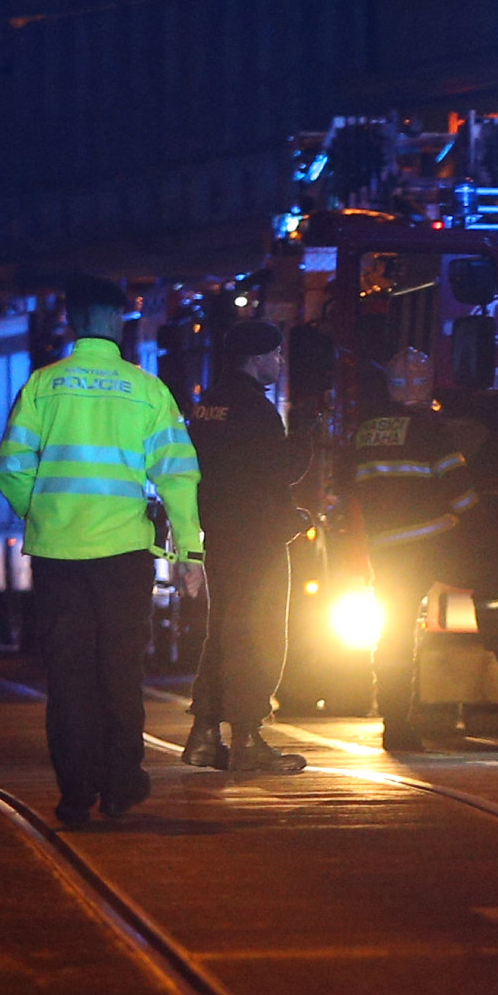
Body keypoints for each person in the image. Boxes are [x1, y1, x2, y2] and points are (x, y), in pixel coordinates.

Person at [0, 276, 206, 827]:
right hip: (123, 555)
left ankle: (74, 794)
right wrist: (190, 557)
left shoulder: (43, 385)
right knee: (119, 672)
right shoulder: (147, 390)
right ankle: (120, 785)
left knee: (68, 680)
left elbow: (10, 469)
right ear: (118, 320)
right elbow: (179, 477)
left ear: (71, 320)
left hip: (58, 557)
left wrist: (45, 513)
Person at [182, 316, 308, 774]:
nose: (278, 363)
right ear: (257, 359)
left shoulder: (208, 405)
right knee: (260, 635)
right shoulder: (256, 410)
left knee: (225, 631)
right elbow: (277, 473)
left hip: (221, 537)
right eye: (275, 355)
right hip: (258, 541)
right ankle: (248, 737)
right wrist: (304, 441)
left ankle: (204, 735)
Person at [345, 343, 478, 754]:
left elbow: (350, 485)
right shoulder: (430, 429)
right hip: (430, 543)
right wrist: (479, 522)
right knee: (488, 579)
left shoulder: (366, 429)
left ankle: (394, 720)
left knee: (395, 637)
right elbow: (458, 491)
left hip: (384, 549)